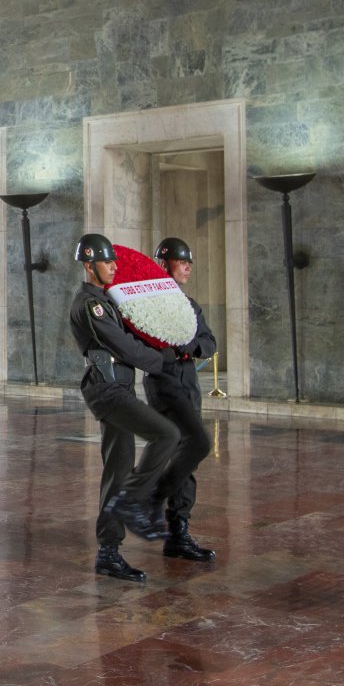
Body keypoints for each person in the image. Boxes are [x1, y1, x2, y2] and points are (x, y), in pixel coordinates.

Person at [68, 234, 181, 583]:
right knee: (167, 434)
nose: (114, 266)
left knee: (117, 468)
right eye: (107, 262)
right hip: (107, 390)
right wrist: (164, 360)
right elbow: (124, 346)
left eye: (114, 261)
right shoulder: (91, 305)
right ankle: (133, 501)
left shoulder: (107, 299)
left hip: (118, 386)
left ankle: (108, 553)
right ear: (90, 266)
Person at [142, 238, 217, 563]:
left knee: (189, 455)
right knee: (182, 448)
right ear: (164, 263)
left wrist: (190, 346)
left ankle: (178, 530)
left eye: (189, 262)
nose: (187, 266)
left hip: (189, 384)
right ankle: (150, 503)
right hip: (165, 384)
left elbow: (209, 342)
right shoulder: (146, 304)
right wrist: (181, 347)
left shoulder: (190, 306)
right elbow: (152, 345)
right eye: (181, 261)